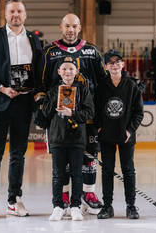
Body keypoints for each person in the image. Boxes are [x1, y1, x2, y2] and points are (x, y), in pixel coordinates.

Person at [0, 0, 43, 219]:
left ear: (25, 15)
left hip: (23, 104)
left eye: (20, 11)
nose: (16, 15)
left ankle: (14, 200)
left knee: (18, 155)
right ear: (6, 15)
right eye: (12, 11)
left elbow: (39, 72)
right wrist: (2, 88)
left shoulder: (34, 40)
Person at [34, 13, 106, 215]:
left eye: (74, 26)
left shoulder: (92, 51)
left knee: (89, 157)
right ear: (61, 27)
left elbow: (102, 84)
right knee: (63, 159)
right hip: (59, 118)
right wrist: (43, 111)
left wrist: (102, 115)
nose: (71, 29)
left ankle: (88, 193)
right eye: (67, 26)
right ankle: (64, 195)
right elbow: (41, 84)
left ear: (80, 27)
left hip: (87, 116)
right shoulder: (49, 52)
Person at [42, 56, 94, 221]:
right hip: (57, 138)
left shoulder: (83, 90)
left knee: (77, 174)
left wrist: (73, 113)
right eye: (64, 68)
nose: (67, 72)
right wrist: (53, 102)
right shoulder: (53, 90)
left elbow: (89, 113)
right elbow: (45, 115)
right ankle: (57, 206)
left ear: (76, 71)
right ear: (59, 72)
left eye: (71, 68)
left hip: (77, 139)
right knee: (58, 174)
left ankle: (75, 206)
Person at [94, 50, 144, 220]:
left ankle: (131, 206)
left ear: (123, 64)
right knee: (107, 171)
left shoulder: (131, 86)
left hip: (126, 136)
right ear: (106, 66)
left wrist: (130, 130)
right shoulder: (101, 86)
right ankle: (107, 206)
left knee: (128, 170)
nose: (114, 65)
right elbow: (94, 111)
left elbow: (139, 113)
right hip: (106, 136)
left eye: (117, 62)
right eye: (110, 63)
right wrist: (99, 127)